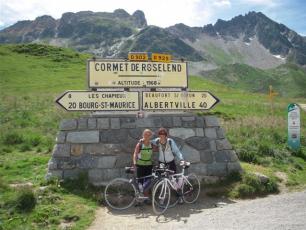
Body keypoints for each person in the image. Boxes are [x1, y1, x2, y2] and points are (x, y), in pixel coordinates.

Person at [132, 129, 155, 198]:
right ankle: (139, 199)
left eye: (148, 135)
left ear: (150, 136)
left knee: (147, 183)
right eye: (145, 134)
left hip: (149, 165)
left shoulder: (152, 144)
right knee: (140, 182)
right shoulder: (140, 144)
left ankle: (146, 198)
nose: (147, 136)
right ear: (143, 135)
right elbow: (135, 154)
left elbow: (159, 144)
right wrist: (135, 163)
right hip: (140, 165)